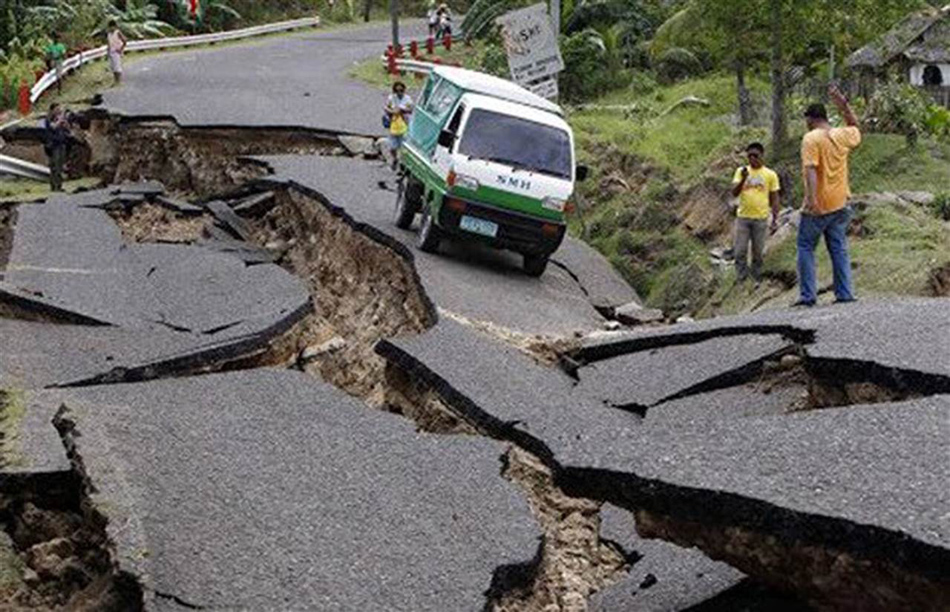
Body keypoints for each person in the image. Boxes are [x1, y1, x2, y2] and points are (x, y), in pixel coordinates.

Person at [796, 85, 862, 307]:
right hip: (841, 203)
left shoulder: (811, 139)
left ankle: (808, 296)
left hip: (820, 205)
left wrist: (811, 200)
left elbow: (811, 169)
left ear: (810, 119)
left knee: (805, 246)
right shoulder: (842, 135)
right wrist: (843, 105)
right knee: (839, 248)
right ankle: (844, 293)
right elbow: (854, 126)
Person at [730, 142, 781, 284]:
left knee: (758, 252)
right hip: (743, 218)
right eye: (749, 156)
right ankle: (741, 278)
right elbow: (734, 192)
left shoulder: (770, 174)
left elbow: (775, 197)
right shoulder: (741, 171)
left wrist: (775, 218)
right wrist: (744, 179)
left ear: (762, 156)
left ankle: (756, 277)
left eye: (755, 156)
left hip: (761, 218)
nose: (752, 159)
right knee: (740, 251)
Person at [385, 81, 413, 171]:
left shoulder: (408, 99)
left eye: (401, 90)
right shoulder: (391, 98)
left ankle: (403, 162)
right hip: (394, 124)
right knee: (392, 146)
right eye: (397, 91)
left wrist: (402, 110)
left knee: (403, 145)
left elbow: (411, 110)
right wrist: (392, 112)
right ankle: (395, 158)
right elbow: (386, 107)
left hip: (404, 124)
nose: (399, 92)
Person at [43, 104, 71, 192]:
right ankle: (54, 187)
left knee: (60, 166)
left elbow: (68, 130)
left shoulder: (59, 119)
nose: (59, 110)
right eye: (57, 109)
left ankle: (59, 186)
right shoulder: (48, 119)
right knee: (55, 167)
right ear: (52, 110)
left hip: (62, 144)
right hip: (53, 146)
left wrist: (65, 123)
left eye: (59, 109)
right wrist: (60, 119)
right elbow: (53, 127)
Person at [107, 20, 127, 87]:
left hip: (116, 51)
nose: (111, 28)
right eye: (110, 27)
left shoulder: (117, 32)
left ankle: (118, 81)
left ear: (115, 26)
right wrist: (108, 51)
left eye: (112, 27)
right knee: (113, 67)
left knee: (117, 66)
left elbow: (124, 40)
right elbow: (109, 43)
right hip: (111, 51)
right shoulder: (109, 34)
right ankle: (115, 80)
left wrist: (121, 49)